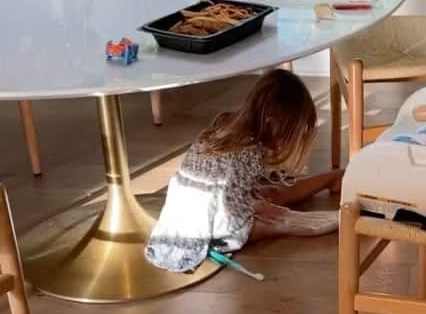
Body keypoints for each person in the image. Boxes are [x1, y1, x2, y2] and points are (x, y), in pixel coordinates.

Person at [145, 69, 341, 274]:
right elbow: (230, 211)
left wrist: (255, 203)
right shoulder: (249, 152)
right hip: (209, 223)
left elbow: (225, 189)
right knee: (272, 217)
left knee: (268, 196)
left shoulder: (225, 124)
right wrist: (257, 210)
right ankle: (326, 200)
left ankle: (330, 179)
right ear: (273, 124)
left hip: (180, 212)